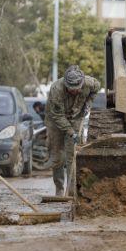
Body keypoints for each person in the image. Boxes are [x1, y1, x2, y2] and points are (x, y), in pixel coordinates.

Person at [46, 65, 100, 198]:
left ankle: (71, 191)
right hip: (55, 120)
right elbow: (58, 116)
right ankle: (59, 188)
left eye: (78, 89)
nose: (75, 91)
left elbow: (97, 87)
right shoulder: (56, 89)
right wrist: (71, 132)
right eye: (72, 89)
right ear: (66, 84)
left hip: (76, 117)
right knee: (58, 156)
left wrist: (89, 102)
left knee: (72, 155)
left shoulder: (89, 82)